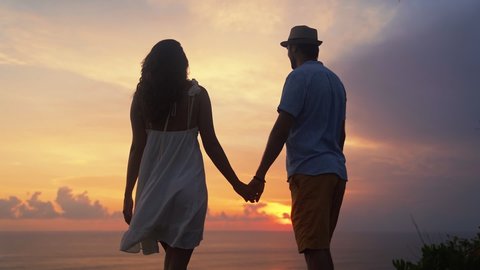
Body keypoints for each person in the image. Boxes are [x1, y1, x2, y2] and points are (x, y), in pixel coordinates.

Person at [120, 39, 254, 270]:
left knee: (173, 258)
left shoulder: (142, 100)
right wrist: (237, 185)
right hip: (188, 189)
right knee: (177, 261)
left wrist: (128, 195)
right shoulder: (197, 96)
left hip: (153, 192)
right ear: (183, 66)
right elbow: (211, 145)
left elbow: (136, 148)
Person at [248, 25, 348, 270]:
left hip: (310, 173)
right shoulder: (336, 82)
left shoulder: (299, 77)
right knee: (320, 246)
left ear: (293, 49)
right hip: (336, 172)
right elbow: (341, 134)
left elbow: (281, 128)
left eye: (288, 50)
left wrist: (259, 175)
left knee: (314, 250)